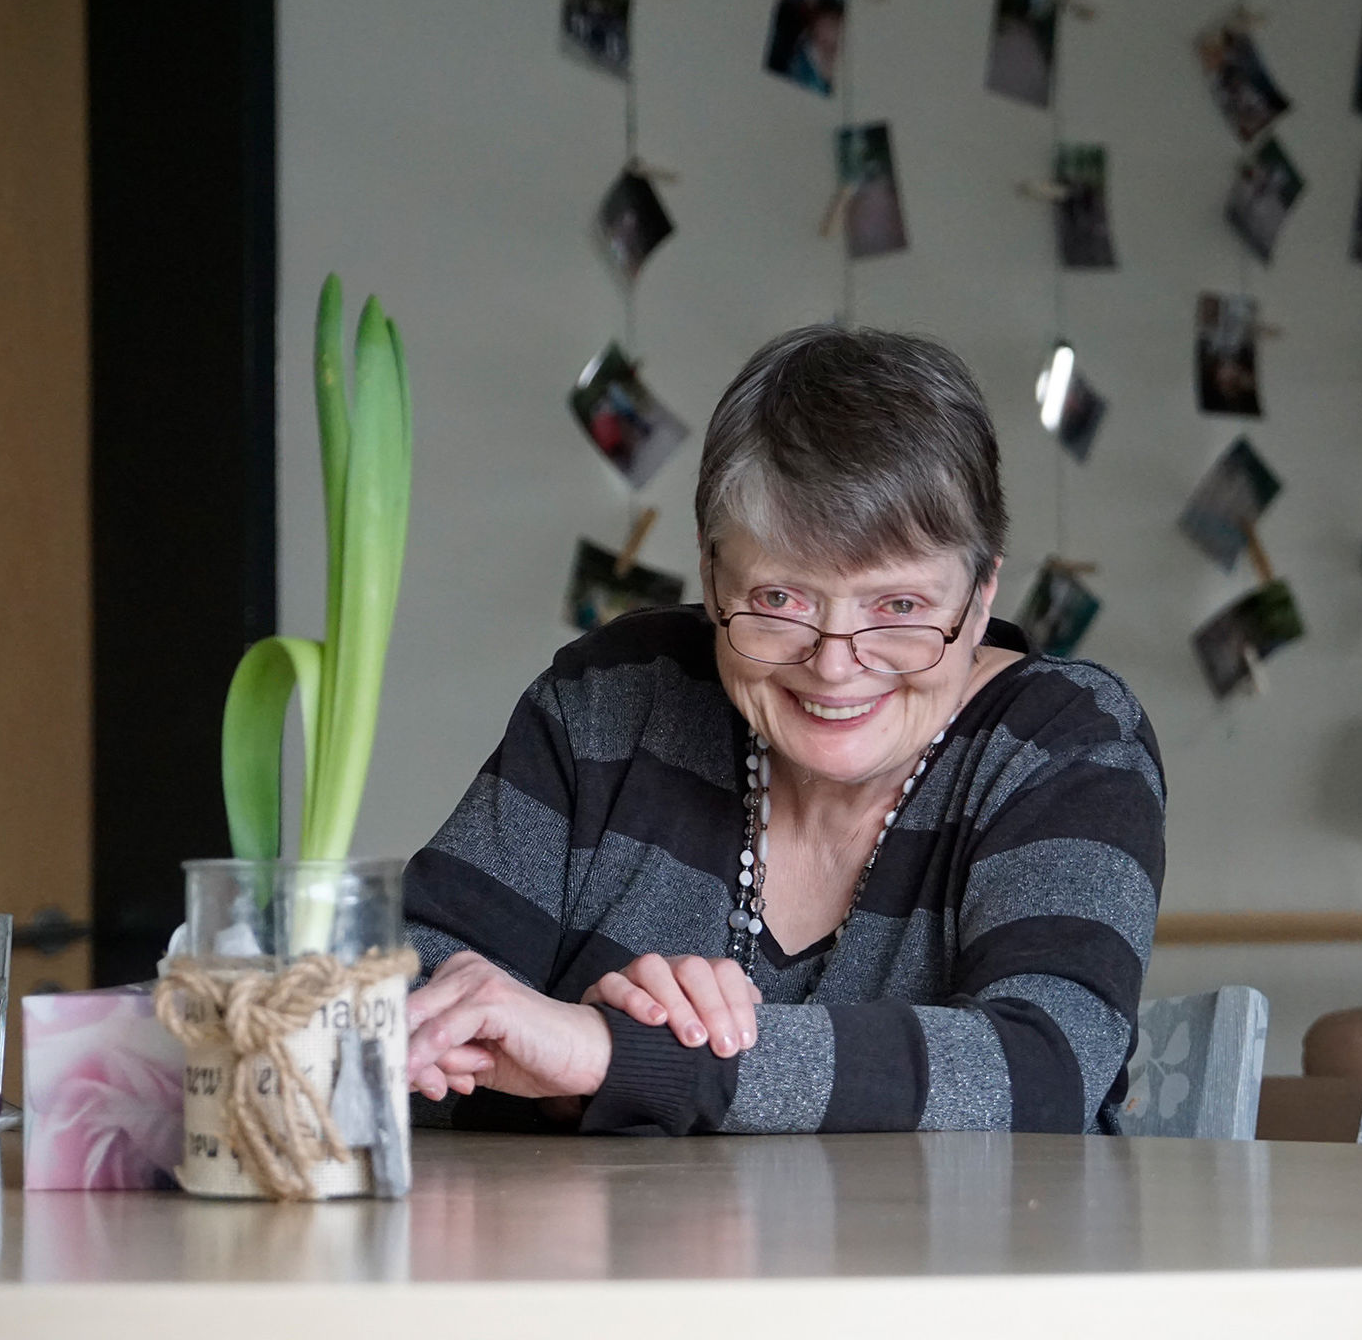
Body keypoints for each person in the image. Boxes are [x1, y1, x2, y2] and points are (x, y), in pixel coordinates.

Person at [402, 325, 1165, 1135]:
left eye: (899, 607)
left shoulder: (1068, 744)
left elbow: (1042, 1069)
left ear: (980, 599)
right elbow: (405, 992)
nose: (835, 666)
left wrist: (619, 1057)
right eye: (780, 600)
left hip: (952, 1263)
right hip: (612, 1257)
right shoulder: (613, 701)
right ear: (710, 572)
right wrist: (549, 1075)